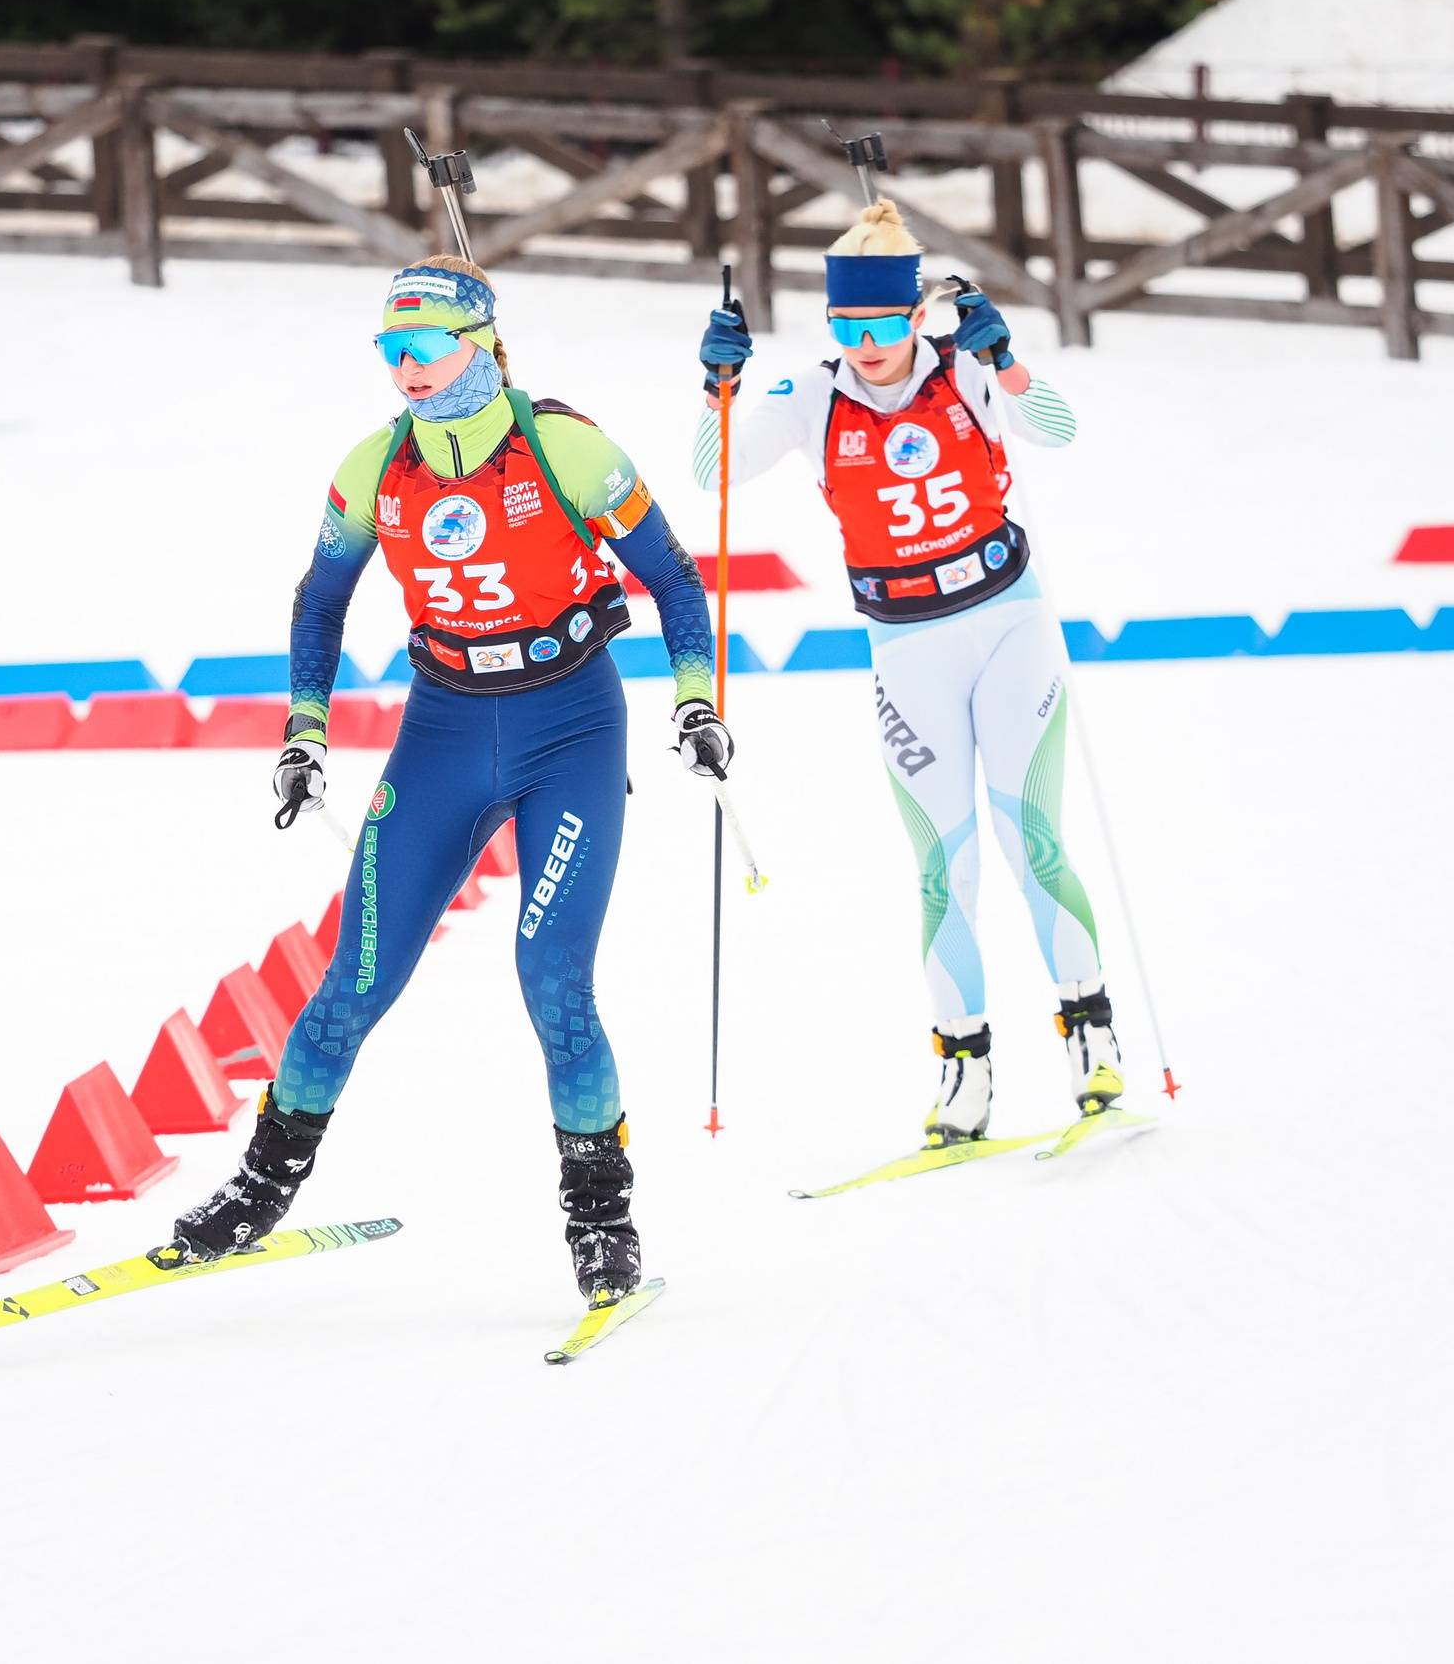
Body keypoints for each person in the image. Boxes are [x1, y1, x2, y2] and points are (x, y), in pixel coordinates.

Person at [165, 255, 731, 1304]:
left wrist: (695, 702)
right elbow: (319, 600)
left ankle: (601, 1218)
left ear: (480, 345)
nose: (405, 366)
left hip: (572, 729)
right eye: (390, 348)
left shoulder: (566, 446)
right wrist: (304, 732)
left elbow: (673, 576)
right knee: (356, 975)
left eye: (424, 345)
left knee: (553, 977)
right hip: (443, 731)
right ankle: (260, 1186)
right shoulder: (374, 468)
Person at [692, 201, 1122, 1150]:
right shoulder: (811, 394)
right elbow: (714, 475)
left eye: (884, 324)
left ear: (917, 314)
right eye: (847, 326)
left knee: (1032, 838)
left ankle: (1091, 1032)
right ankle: (964, 1066)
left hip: (1006, 622)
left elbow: (1059, 429)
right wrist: (719, 388)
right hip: (906, 644)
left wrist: (1007, 361)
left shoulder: (963, 366)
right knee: (943, 867)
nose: (867, 345)